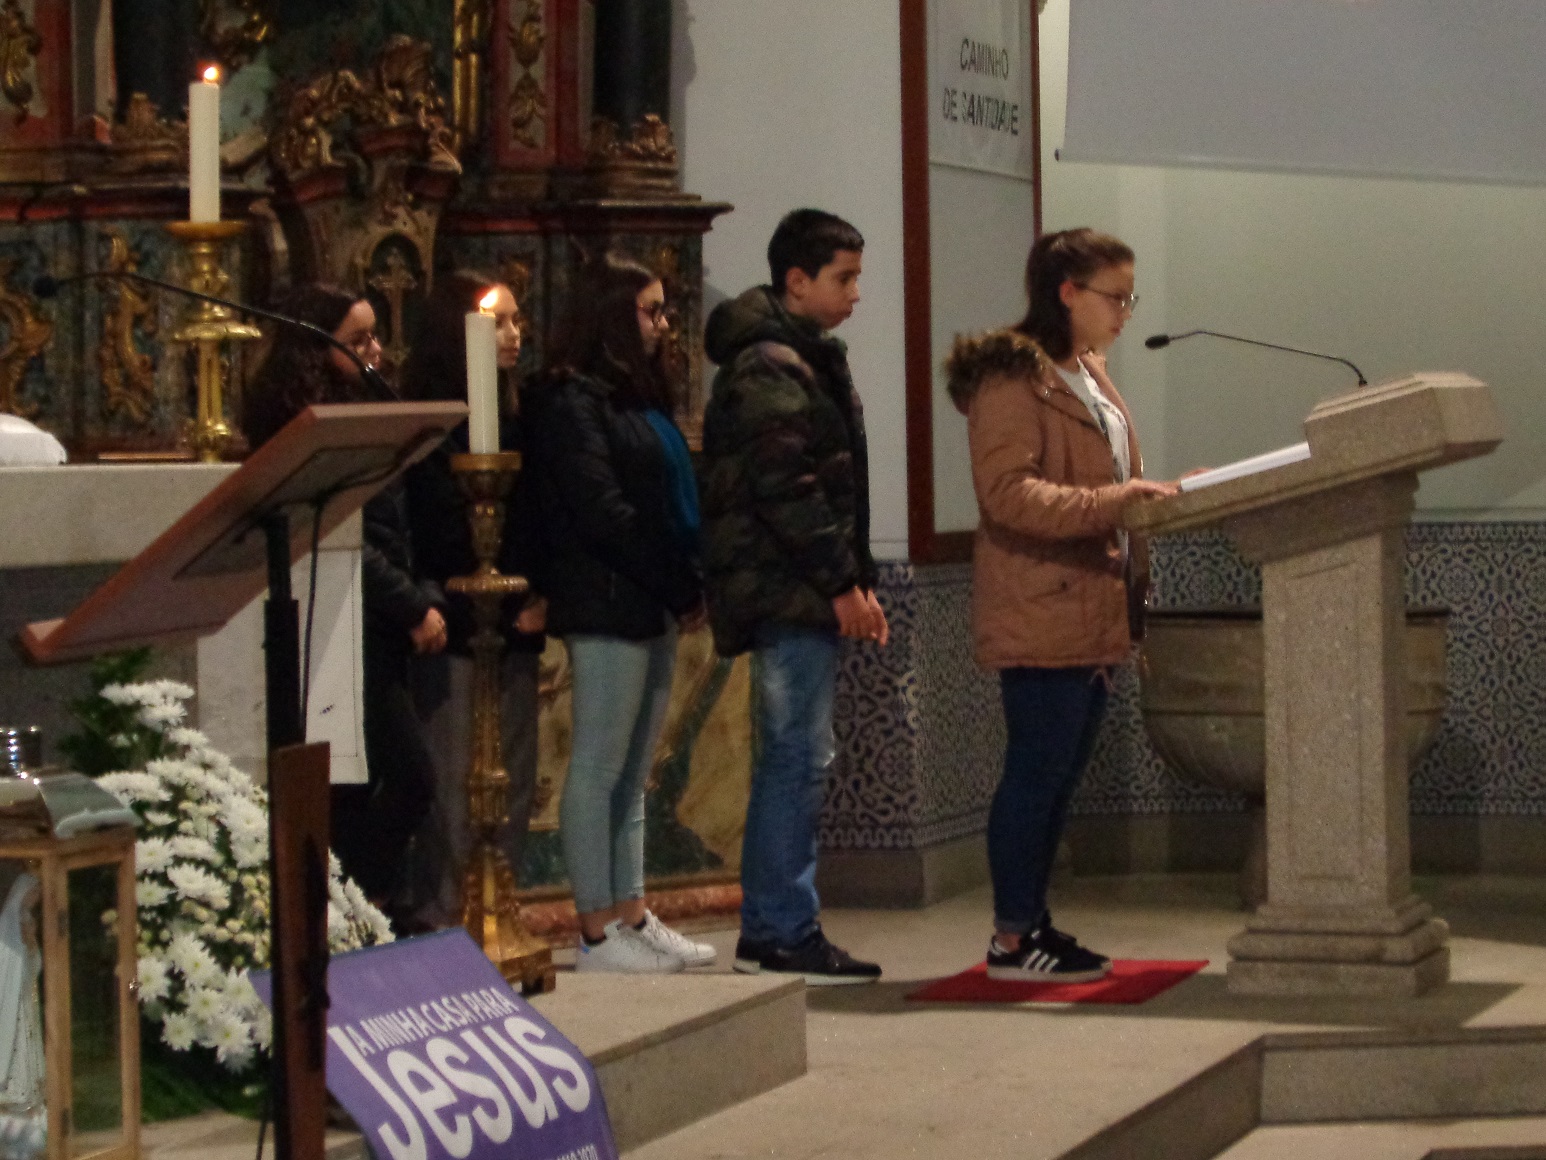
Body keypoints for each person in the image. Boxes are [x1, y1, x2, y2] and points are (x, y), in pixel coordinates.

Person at [945, 227, 1178, 982]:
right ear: (1068, 292)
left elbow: (1105, 478)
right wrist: (1116, 501)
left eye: (1132, 297)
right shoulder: (1014, 379)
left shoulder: (1087, 373)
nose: (1126, 312)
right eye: (1116, 297)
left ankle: (1034, 923)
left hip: (1093, 603)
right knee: (1035, 774)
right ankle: (1012, 939)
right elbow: (1008, 495)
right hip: (1043, 602)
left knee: (1059, 779)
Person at [699, 208, 888, 985]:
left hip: (802, 587)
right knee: (793, 760)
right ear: (797, 279)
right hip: (789, 591)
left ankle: (782, 925)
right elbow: (788, 489)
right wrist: (841, 583)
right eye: (845, 278)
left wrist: (851, 578)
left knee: (801, 758)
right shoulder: (770, 366)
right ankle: (778, 931)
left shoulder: (801, 356)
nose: (855, 293)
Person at [525, 253, 715, 973]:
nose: (664, 324)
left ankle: (632, 913)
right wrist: (676, 583)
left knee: (634, 773)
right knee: (598, 767)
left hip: (650, 594)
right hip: (606, 597)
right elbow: (603, 512)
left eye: (665, 310)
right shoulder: (569, 401)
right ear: (610, 315)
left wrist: (684, 581)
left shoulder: (631, 395)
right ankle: (597, 932)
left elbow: (662, 499)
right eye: (651, 310)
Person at [241, 284, 445, 919]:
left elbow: (389, 525)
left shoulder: (366, 403)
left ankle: (357, 910)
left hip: (375, 618)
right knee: (402, 777)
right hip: (336, 614)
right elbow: (334, 532)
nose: (375, 350)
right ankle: (356, 907)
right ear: (315, 347)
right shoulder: (303, 424)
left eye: (375, 336)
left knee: (369, 784)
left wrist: (418, 596)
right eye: (358, 340)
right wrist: (410, 605)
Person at [400, 271, 544, 930]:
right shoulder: (429, 424)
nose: (513, 334)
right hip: (454, 624)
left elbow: (540, 513)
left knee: (511, 780)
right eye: (498, 323)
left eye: (516, 321)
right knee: (456, 784)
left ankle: (498, 911)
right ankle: (447, 921)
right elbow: (433, 528)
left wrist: (535, 588)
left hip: (516, 620)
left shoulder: (519, 414)